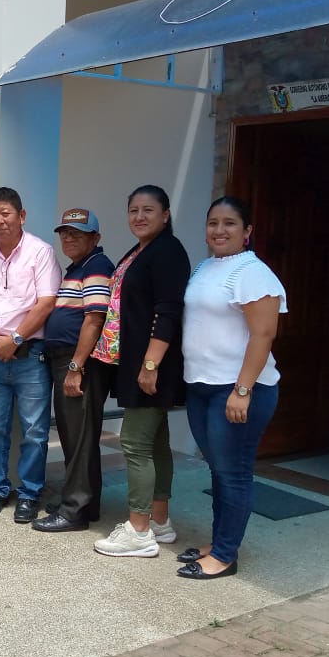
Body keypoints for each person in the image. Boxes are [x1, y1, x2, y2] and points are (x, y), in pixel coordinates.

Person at [176, 197, 287, 580]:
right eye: (213, 223)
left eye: (230, 223)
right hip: (202, 387)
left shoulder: (254, 273)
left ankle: (224, 556)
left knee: (234, 472)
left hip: (237, 390)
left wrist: (243, 390)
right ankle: (219, 542)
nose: (219, 230)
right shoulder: (205, 267)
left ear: (247, 231)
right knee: (219, 470)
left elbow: (263, 334)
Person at [92, 185, 190, 557]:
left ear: (166, 214)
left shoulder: (167, 251)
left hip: (152, 364)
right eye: (133, 210)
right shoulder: (142, 250)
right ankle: (159, 522)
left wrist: (151, 365)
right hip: (140, 362)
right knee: (156, 444)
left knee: (133, 443)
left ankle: (138, 530)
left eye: (148, 210)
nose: (139, 216)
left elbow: (168, 312)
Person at [0, 187, 61, 522]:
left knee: (34, 429)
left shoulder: (41, 252)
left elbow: (46, 303)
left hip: (30, 355)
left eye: (5, 213)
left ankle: (29, 493)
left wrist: (15, 339)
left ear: (22, 216)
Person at [32, 208, 114, 532]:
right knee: (77, 437)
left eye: (77, 233)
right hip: (69, 359)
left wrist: (75, 367)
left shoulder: (96, 266)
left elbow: (94, 319)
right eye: (64, 233)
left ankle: (73, 512)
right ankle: (86, 504)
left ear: (95, 238)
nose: (68, 238)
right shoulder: (79, 267)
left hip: (79, 362)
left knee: (79, 440)